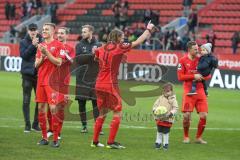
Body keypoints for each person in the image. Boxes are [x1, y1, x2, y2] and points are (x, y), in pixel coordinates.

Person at [91, 21, 156, 149]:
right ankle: (110, 142)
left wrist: (118, 58)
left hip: (99, 84)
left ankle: (95, 141)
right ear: (117, 38)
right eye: (122, 37)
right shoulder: (120, 46)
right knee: (117, 112)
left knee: (102, 113)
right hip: (110, 84)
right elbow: (138, 41)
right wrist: (148, 29)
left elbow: (95, 58)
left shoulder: (100, 48)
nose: (123, 39)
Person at [35, 23, 65, 147]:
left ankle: (56, 139)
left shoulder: (59, 45)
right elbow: (36, 65)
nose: (44, 31)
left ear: (53, 32)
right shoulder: (40, 46)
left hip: (52, 82)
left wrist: (47, 52)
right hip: (41, 81)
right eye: (43, 29)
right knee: (41, 109)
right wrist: (42, 56)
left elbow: (59, 62)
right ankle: (44, 138)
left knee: (54, 109)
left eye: (46, 29)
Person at [177, 41, 211, 144]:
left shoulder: (201, 59)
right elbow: (180, 77)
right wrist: (193, 76)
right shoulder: (182, 60)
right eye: (195, 49)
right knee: (187, 116)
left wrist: (202, 77)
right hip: (188, 91)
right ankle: (186, 136)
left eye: (198, 49)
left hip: (200, 90)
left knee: (204, 115)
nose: (198, 51)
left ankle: (198, 138)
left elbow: (208, 75)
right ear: (189, 50)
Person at [47, 27, 75, 139]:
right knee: (51, 106)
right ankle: (50, 129)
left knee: (61, 107)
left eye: (62, 33)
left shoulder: (70, 48)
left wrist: (64, 53)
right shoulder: (53, 45)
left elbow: (73, 61)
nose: (60, 35)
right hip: (52, 80)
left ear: (67, 36)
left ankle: (58, 132)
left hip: (63, 82)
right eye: (58, 33)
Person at [75, 25, 102, 133]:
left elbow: (100, 60)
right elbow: (79, 60)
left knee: (96, 103)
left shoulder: (99, 44)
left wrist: (96, 55)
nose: (82, 34)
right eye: (82, 32)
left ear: (91, 32)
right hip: (81, 78)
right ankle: (84, 126)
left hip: (94, 78)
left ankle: (97, 127)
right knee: (81, 103)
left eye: (85, 32)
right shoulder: (79, 45)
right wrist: (92, 54)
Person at [20, 23, 41, 133]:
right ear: (28, 31)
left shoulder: (42, 41)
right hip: (27, 75)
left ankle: (35, 124)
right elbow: (24, 56)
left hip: (39, 75)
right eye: (31, 30)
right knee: (26, 100)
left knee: (40, 100)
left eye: (34, 29)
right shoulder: (23, 42)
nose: (33, 31)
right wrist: (33, 45)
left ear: (37, 30)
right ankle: (27, 124)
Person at [152, 83, 178, 150]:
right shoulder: (160, 98)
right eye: (164, 91)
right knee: (159, 130)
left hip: (168, 119)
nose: (166, 93)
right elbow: (155, 105)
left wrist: (171, 113)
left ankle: (165, 144)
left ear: (171, 91)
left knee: (166, 131)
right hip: (159, 118)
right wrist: (155, 110)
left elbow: (175, 108)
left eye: (168, 91)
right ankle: (158, 143)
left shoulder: (173, 99)